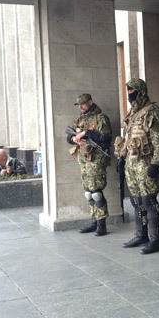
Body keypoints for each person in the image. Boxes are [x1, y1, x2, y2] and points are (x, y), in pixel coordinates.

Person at [114, 78, 159, 255]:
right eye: (128, 91)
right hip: (131, 163)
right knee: (136, 200)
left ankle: (155, 239)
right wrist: (121, 157)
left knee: (148, 201)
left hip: (146, 164)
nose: (130, 94)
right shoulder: (132, 114)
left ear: (141, 91)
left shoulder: (152, 112)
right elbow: (128, 139)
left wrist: (156, 163)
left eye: (133, 91)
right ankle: (141, 234)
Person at [67, 93, 113, 236]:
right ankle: (94, 221)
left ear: (90, 102)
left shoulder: (101, 118)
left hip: (96, 160)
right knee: (88, 193)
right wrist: (75, 138)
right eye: (79, 104)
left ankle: (102, 224)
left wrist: (88, 133)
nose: (81, 106)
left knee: (97, 192)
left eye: (83, 103)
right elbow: (69, 136)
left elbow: (106, 137)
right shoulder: (81, 119)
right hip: (84, 160)